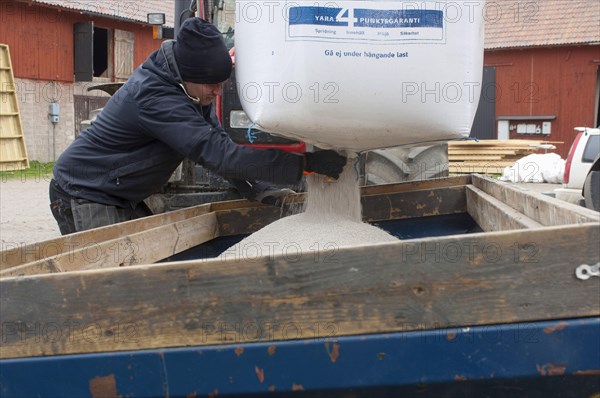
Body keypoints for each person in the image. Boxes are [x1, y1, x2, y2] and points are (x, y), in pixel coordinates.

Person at [49, 18, 346, 235]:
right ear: (188, 76)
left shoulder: (190, 91)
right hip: (84, 191)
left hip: (118, 191)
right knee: (109, 286)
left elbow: (221, 147)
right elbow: (218, 155)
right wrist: (305, 164)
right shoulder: (155, 97)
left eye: (223, 84)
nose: (218, 93)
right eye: (213, 85)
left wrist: (262, 190)